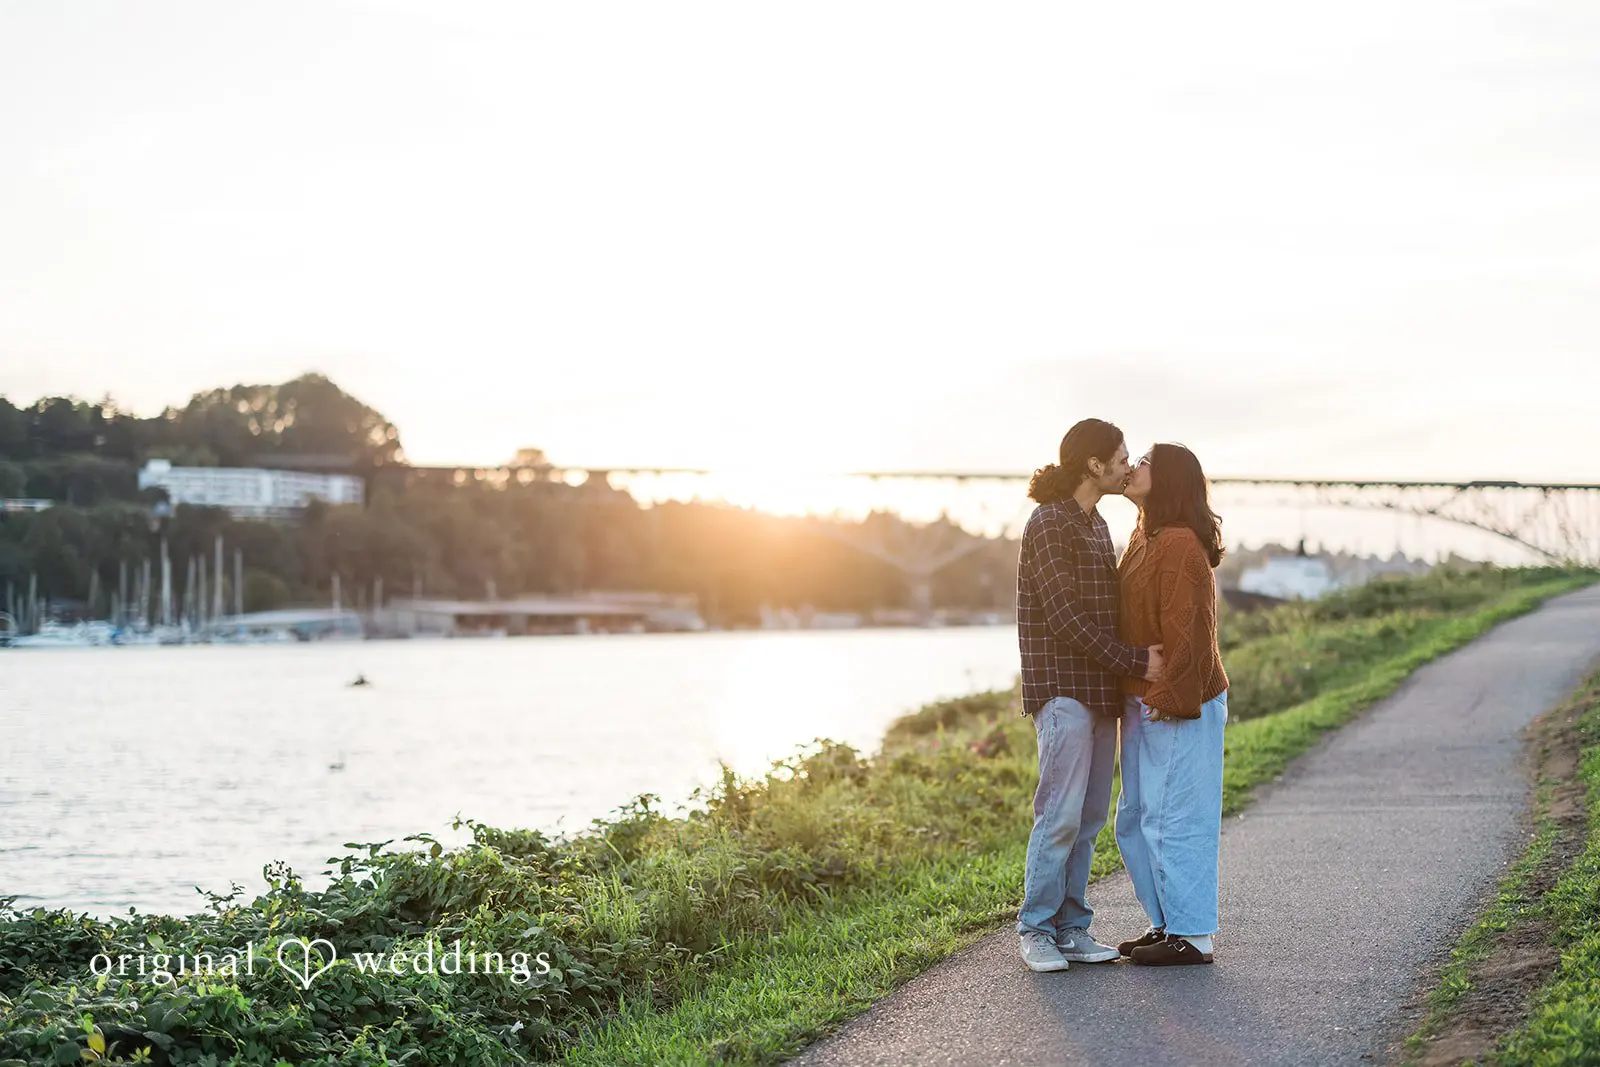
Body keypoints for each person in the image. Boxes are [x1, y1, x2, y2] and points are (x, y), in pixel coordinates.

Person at [1016, 418, 1167, 973]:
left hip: (1100, 693)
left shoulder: (1096, 525)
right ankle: (1035, 930)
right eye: (1122, 458)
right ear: (1094, 464)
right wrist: (1136, 661)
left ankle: (1073, 928)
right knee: (1057, 815)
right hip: (1062, 691)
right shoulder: (1050, 523)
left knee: (1088, 819)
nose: (1128, 466)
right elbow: (1065, 619)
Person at [1113, 443, 1230, 966]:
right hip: (1145, 699)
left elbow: (1192, 632)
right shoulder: (1145, 535)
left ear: (1170, 480)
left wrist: (1169, 695)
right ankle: (1166, 923)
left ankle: (1194, 934)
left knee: (1177, 817)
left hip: (1181, 701)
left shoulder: (1180, 543)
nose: (1133, 467)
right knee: (1137, 817)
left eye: (1144, 460)